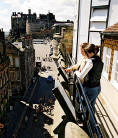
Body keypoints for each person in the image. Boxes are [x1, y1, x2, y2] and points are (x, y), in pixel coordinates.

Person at [65, 43, 103, 112]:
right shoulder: (98, 59)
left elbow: (82, 75)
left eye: (83, 51)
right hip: (96, 86)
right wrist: (71, 68)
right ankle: (91, 120)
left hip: (89, 87)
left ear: (87, 51)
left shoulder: (90, 61)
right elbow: (79, 65)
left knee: (85, 107)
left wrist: (76, 72)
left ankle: (92, 122)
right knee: (90, 106)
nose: (82, 53)